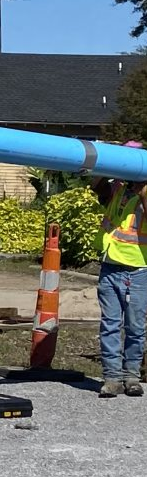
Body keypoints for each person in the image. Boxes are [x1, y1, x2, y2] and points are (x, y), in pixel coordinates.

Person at [92, 163, 147, 398]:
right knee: (110, 324)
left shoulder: (142, 195)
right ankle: (112, 377)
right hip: (110, 266)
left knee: (135, 326)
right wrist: (106, 159)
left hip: (138, 268)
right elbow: (96, 183)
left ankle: (131, 376)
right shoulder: (117, 190)